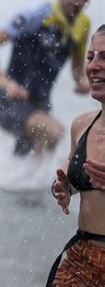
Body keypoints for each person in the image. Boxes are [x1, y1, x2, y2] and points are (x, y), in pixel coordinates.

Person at [0, 0, 93, 156]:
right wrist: (6, 82)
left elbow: (76, 69)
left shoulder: (83, 24)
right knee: (54, 132)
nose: (79, 3)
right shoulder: (35, 15)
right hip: (9, 102)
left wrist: (84, 81)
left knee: (27, 162)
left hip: (41, 107)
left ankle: (34, 183)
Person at [48, 24, 105, 286]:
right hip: (81, 260)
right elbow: (71, 177)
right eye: (91, 56)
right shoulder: (82, 124)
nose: (93, 66)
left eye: (104, 57)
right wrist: (63, 187)